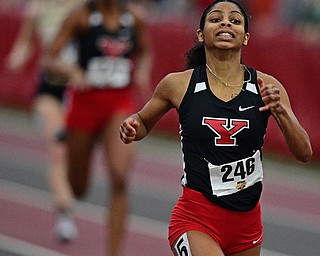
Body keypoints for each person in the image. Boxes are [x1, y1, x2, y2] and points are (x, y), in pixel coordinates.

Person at [119, 0, 313, 255]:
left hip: (247, 224)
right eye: (215, 19)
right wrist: (133, 125)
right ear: (201, 34)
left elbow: (304, 152)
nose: (225, 23)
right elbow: (143, 122)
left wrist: (280, 111)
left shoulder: (267, 86)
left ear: (245, 37)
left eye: (235, 20)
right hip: (196, 219)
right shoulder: (177, 85)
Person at [43, 0, 151, 255]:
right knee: (78, 188)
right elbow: (49, 58)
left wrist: (142, 72)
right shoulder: (81, 16)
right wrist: (72, 71)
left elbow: (145, 50)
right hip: (85, 103)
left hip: (119, 104)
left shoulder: (133, 18)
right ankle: (70, 140)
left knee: (120, 177)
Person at [6, 0, 83, 242]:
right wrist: (16, 58)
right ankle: (64, 214)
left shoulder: (83, 8)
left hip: (79, 90)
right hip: (49, 89)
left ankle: (68, 199)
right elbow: (25, 43)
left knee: (75, 155)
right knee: (57, 150)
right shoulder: (38, 8)